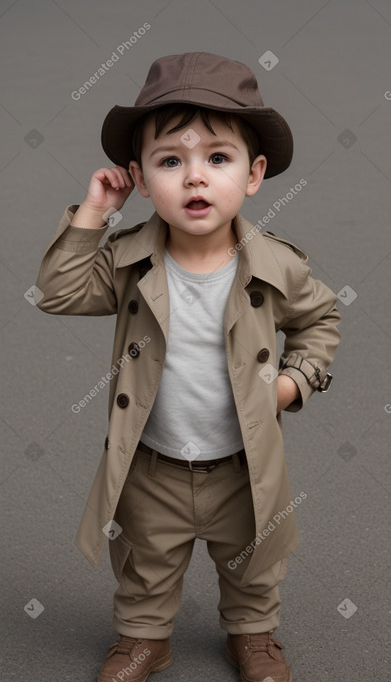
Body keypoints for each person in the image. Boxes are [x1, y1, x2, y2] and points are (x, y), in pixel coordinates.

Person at [35, 51, 341, 682]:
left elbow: (321, 320)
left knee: (254, 560)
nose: (194, 178)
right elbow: (58, 292)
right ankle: (145, 638)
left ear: (254, 174)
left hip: (242, 463)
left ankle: (253, 636)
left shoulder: (276, 267)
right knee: (146, 560)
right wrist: (94, 213)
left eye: (217, 159)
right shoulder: (127, 264)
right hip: (153, 461)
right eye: (171, 160)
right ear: (140, 178)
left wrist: (292, 383)